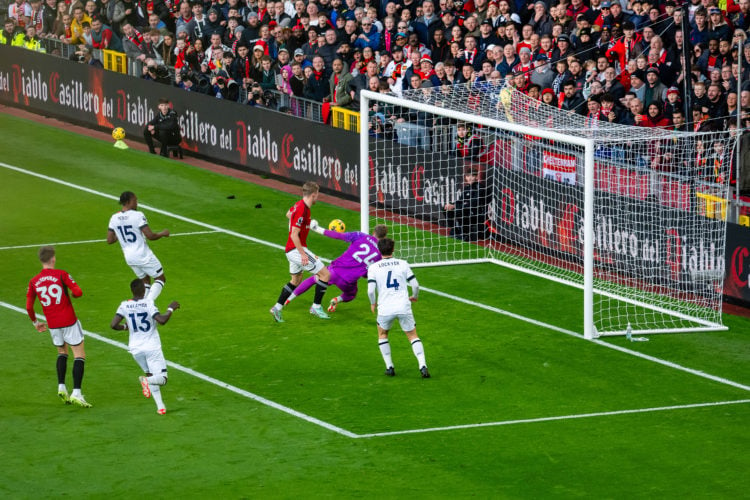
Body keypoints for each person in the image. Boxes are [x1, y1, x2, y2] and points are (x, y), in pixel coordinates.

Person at [25, 245, 92, 407]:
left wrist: (36, 322)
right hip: (69, 320)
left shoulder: (34, 281)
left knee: (62, 352)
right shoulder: (62, 274)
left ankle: (61, 386)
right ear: (53, 258)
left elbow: (29, 306)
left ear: (41, 260)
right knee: (79, 355)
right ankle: (77, 392)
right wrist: (74, 294)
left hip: (53, 324)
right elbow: (78, 292)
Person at [284, 222, 388, 313]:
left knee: (314, 279)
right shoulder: (380, 255)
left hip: (334, 271)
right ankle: (336, 300)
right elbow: (367, 274)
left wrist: (318, 229)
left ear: (374, 232)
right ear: (384, 237)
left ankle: (288, 299)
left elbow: (339, 235)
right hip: (348, 281)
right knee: (351, 294)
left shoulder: (360, 235)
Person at [110, 279, 179, 415]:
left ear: (132, 291)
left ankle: (160, 406)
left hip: (135, 349)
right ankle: (145, 381)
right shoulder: (148, 303)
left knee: (150, 373)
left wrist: (125, 327)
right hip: (151, 347)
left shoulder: (124, 305)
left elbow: (113, 325)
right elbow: (162, 320)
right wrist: (171, 308)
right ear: (144, 290)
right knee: (162, 379)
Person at [367, 238, 429, 378]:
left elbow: (370, 291)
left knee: (382, 334)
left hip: (385, 308)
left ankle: (389, 367)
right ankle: (422, 365)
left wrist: (372, 303)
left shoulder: (373, 267)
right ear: (393, 249)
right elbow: (415, 285)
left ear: (379, 250)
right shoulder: (403, 264)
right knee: (413, 336)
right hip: (403, 305)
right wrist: (414, 296)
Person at [269, 181, 331, 322]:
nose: (318, 198)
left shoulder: (299, 205)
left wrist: (306, 224)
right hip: (297, 249)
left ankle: (276, 308)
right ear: (313, 195)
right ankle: (316, 306)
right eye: (318, 195)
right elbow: (293, 234)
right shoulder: (303, 209)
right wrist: (303, 254)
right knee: (325, 274)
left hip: (291, 250)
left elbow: (288, 214)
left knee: (296, 280)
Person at [107, 191, 169, 303]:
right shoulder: (138, 215)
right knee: (160, 278)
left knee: (145, 281)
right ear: (128, 202)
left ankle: (139, 305)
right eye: (135, 200)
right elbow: (150, 236)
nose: (137, 203)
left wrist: (120, 236)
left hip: (130, 258)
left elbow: (110, 240)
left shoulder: (114, 218)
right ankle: (147, 304)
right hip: (143, 255)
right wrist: (163, 233)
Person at [443, 166, 489, 241]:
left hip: (477, 213)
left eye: (472, 176)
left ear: (476, 177)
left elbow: (473, 204)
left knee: (461, 210)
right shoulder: (467, 188)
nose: (470, 178)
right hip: (466, 209)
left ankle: (465, 234)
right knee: (446, 209)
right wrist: (451, 205)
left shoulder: (480, 188)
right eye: (468, 176)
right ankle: (455, 230)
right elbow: (461, 201)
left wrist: (455, 206)